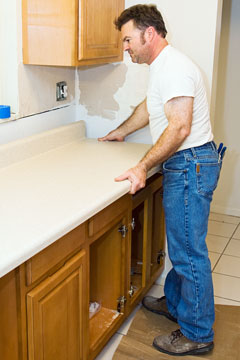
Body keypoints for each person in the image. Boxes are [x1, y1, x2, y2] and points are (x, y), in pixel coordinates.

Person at [99, 4, 224, 356]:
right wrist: (120, 132)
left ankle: (198, 332)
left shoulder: (176, 68)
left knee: (188, 253)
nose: (125, 47)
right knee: (180, 245)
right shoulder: (163, 68)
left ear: (148, 34)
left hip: (189, 165)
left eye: (127, 39)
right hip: (188, 164)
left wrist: (141, 166)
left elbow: (180, 126)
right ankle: (176, 303)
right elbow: (150, 107)